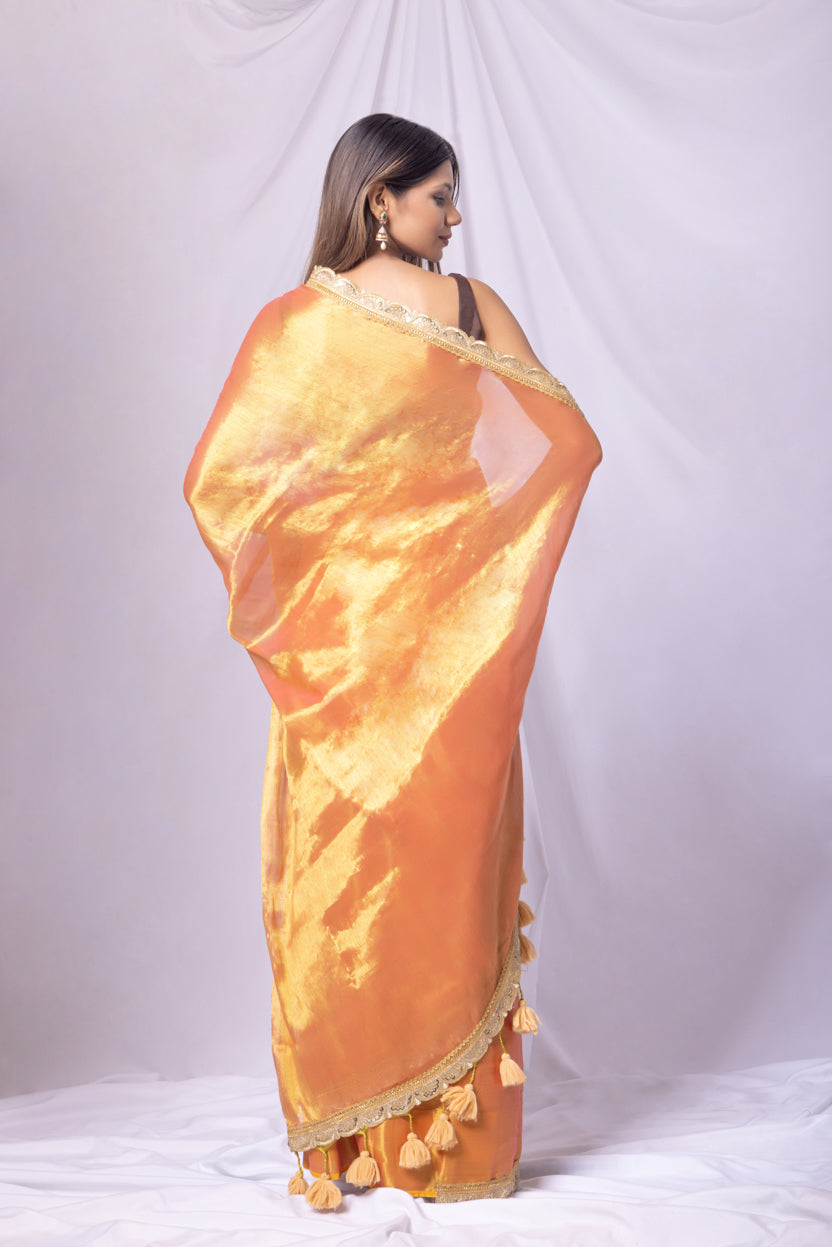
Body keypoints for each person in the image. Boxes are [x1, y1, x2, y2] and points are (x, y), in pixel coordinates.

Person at [184, 113, 601, 1207]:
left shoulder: (299, 324)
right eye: (438, 196)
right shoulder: (469, 309)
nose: (455, 217)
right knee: (445, 872)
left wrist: (328, 568)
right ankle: (458, 1155)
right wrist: (471, 554)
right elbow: (569, 441)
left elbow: (222, 483)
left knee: (337, 880)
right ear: (382, 197)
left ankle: (350, 1149)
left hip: (346, 644)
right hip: (447, 645)